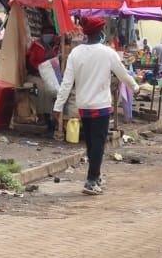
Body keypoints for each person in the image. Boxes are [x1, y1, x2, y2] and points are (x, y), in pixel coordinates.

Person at [54, 17, 139, 195]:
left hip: (83, 106)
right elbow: (123, 74)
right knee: (98, 143)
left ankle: (96, 176)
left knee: (91, 143)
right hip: (101, 106)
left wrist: (58, 106)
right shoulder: (107, 53)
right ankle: (91, 181)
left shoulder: (75, 54)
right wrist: (135, 87)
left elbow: (66, 83)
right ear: (100, 33)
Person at [25, 23, 60, 137]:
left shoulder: (59, 46)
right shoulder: (36, 45)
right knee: (43, 89)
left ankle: (53, 117)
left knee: (55, 90)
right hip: (36, 74)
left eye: (50, 34)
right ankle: (42, 116)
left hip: (53, 76)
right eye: (46, 34)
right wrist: (38, 71)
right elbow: (29, 62)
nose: (48, 36)